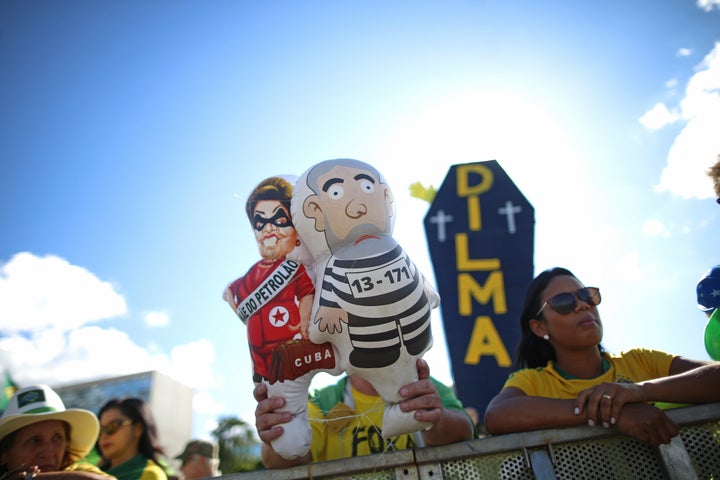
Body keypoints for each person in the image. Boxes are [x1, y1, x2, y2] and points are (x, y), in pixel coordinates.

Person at [484, 267, 720, 447]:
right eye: (563, 302)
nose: (582, 305)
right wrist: (609, 412)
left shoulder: (640, 361)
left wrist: (640, 391)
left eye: (585, 295)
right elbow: (497, 414)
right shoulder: (533, 381)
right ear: (539, 328)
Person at [254, 358, 476, 469]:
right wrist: (277, 431)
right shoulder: (323, 401)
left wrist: (436, 418)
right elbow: (280, 460)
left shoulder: (424, 386)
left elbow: (465, 432)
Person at [0, 384, 112, 480]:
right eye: (35, 440)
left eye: (57, 438)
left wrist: (32, 478)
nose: (49, 452)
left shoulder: (79, 471)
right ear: (5, 453)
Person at [96, 398, 168, 480]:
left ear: (138, 429)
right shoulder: (90, 472)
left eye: (113, 426)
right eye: (99, 430)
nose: (103, 436)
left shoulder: (149, 475)